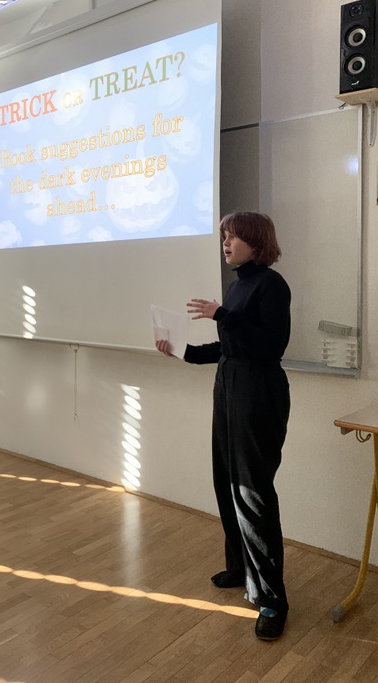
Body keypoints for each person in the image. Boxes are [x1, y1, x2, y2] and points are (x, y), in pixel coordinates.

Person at [156, 211, 291, 641]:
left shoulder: (272, 285)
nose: (225, 244)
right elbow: (229, 346)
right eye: (224, 237)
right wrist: (183, 352)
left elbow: (271, 344)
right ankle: (241, 569)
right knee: (227, 482)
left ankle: (272, 600)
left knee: (252, 492)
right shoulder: (236, 287)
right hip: (229, 388)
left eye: (233, 237)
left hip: (259, 393)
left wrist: (222, 315)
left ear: (257, 242)